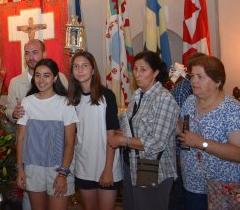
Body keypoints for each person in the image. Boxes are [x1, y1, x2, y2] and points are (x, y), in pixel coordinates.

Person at [107, 50, 179, 210]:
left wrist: (123, 140)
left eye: (143, 69)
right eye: (135, 69)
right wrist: (123, 133)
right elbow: (136, 128)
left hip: (151, 166)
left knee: (149, 205)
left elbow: (157, 142)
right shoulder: (137, 95)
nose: (137, 74)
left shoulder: (164, 99)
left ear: (156, 72)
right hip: (132, 163)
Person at [176, 55, 240, 210]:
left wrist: (201, 143)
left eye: (200, 77)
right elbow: (183, 129)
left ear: (218, 81)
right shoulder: (190, 102)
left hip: (223, 188)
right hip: (192, 184)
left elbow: (238, 153)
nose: (193, 81)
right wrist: (175, 127)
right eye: (192, 76)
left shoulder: (232, 109)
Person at [15, 58, 78, 210]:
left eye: (46, 75)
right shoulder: (27, 102)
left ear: (55, 77)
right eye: (37, 75)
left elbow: (70, 142)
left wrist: (63, 174)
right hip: (33, 167)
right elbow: (21, 138)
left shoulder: (65, 103)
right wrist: (20, 168)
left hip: (58, 169)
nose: (41, 80)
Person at [67, 51, 121, 210]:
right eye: (76, 66)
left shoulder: (107, 96)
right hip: (84, 166)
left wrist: (108, 170)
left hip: (106, 164)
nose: (80, 70)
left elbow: (112, 135)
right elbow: (74, 136)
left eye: (84, 66)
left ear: (93, 70)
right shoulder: (72, 99)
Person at [169, 51, 206, 210]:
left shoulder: (229, 106)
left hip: (196, 160)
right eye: (194, 75)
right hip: (183, 152)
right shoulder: (186, 92)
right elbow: (185, 128)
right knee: (181, 197)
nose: (196, 80)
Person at [6, 39, 68, 122]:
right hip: (25, 132)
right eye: (27, 53)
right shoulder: (15, 82)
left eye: (35, 52)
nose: (30, 57)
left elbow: (68, 105)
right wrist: (14, 113)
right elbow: (8, 110)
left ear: (44, 54)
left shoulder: (60, 77)